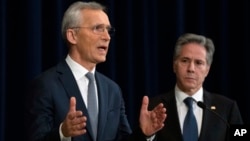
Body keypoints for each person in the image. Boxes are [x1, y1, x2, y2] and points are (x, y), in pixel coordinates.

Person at [25, 1, 166, 141]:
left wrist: (144, 134)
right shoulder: (46, 85)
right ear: (72, 36)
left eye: (108, 30)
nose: (107, 37)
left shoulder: (112, 89)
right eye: (98, 28)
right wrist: (63, 133)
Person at [142, 33, 243, 141]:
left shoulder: (227, 108)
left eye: (199, 63)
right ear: (174, 65)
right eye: (185, 61)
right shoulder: (153, 107)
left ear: (207, 70)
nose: (191, 68)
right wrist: (148, 136)